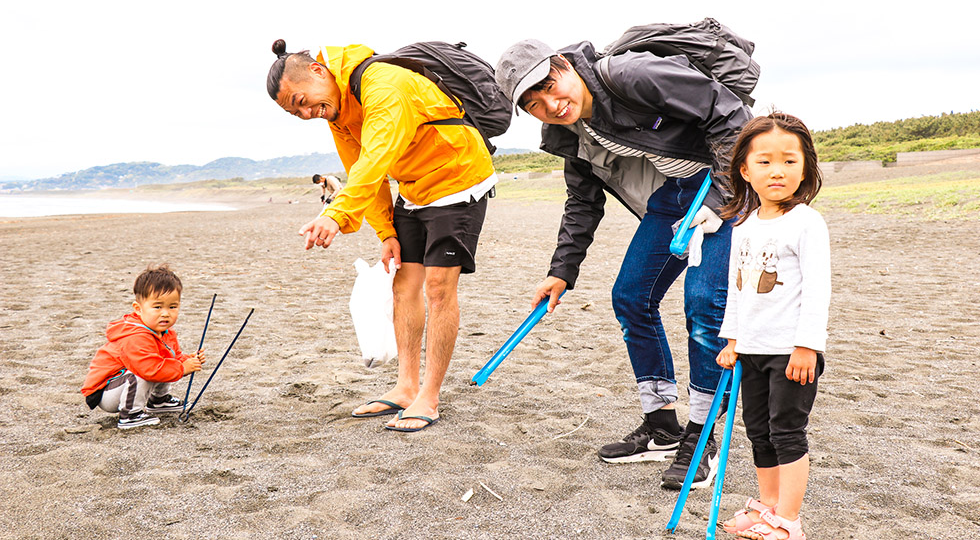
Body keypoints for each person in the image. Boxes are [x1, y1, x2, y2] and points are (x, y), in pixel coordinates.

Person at [495, 38, 753, 488]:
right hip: (674, 195)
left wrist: (720, 197)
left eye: (552, 87)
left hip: (724, 183)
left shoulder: (629, 75)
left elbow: (729, 113)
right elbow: (582, 201)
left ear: (563, 63)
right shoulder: (566, 132)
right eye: (535, 105)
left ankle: (702, 435)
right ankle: (661, 428)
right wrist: (561, 271)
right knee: (631, 297)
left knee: (704, 303)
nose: (552, 105)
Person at [266, 39, 497, 432]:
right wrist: (386, 230)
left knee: (439, 288)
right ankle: (406, 387)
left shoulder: (383, 84)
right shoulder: (337, 112)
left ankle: (430, 395)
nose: (307, 113)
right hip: (413, 188)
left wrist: (335, 214)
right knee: (403, 284)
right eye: (297, 112)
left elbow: (377, 157)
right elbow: (358, 169)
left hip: (456, 178)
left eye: (303, 101)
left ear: (319, 71)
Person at [715, 112, 830, 540]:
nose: (777, 171)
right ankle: (767, 505)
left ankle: (789, 520)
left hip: (791, 351)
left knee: (787, 432)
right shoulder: (742, 225)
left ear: (805, 168)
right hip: (752, 348)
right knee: (757, 430)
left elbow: (819, 290)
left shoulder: (806, 223)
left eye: (789, 161)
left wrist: (807, 346)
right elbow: (737, 286)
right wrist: (732, 338)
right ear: (745, 170)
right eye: (764, 162)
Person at [81, 265, 205, 429]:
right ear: (138, 309)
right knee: (145, 371)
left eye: (172, 307)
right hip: (105, 393)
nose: (165, 313)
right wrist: (182, 369)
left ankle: (158, 400)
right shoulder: (136, 336)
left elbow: (173, 359)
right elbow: (149, 369)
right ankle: (130, 415)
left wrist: (189, 360)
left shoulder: (164, 332)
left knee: (164, 360)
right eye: (157, 307)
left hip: (123, 383)